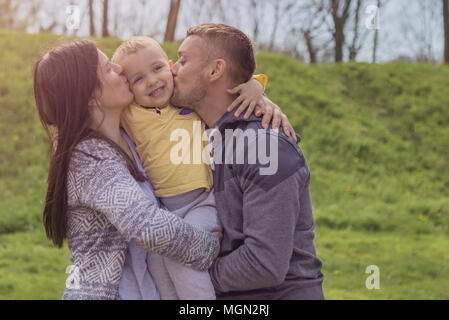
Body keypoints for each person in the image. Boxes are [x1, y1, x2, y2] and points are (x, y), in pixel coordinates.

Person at [33, 40, 220, 300]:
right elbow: (145, 226)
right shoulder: (88, 159)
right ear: (90, 96)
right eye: (109, 69)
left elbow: (198, 89)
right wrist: (211, 247)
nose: (120, 71)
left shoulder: (130, 135)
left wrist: (254, 92)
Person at [110, 36, 272, 300]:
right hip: (166, 212)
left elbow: (237, 87)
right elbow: (100, 98)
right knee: (157, 266)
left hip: (203, 203)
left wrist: (256, 87)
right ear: (129, 88)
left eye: (157, 68)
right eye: (138, 79)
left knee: (182, 260)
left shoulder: (184, 99)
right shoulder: (130, 114)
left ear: (172, 67)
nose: (152, 81)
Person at [170, 23, 325, 300]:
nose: (172, 68)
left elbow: (263, 264)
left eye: (183, 60)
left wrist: (188, 277)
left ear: (215, 70)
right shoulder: (200, 133)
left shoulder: (268, 146)